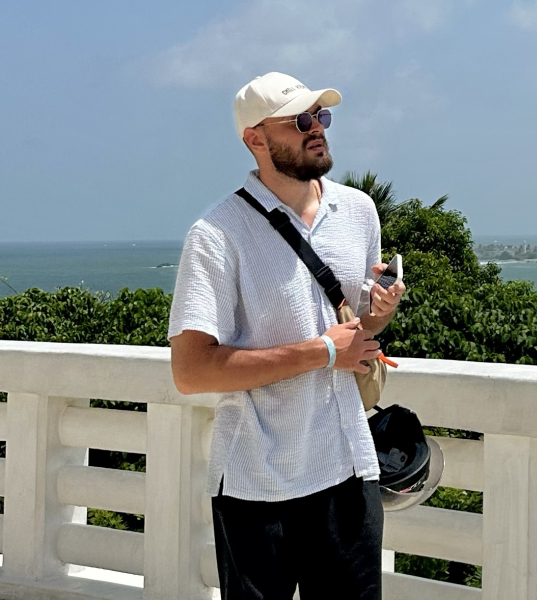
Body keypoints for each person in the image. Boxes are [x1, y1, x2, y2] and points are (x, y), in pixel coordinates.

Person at [168, 71, 405, 600]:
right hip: (255, 481)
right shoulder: (217, 234)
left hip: (348, 467)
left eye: (320, 116)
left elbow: (355, 333)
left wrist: (378, 315)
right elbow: (190, 371)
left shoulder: (358, 212)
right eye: (299, 121)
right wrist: (322, 351)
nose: (316, 128)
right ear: (255, 139)